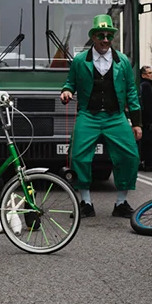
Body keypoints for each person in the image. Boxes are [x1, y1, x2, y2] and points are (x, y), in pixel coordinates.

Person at [60, 15, 141, 218]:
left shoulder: (122, 61)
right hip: (89, 114)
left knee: (130, 156)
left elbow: (131, 91)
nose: (105, 40)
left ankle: (121, 203)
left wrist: (137, 123)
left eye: (109, 36)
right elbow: (70, 83)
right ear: (93, 37)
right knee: (78, 156)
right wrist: (66, 91)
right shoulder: (80, 60)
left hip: (116, 116)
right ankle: (86, 202)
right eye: (101, 35)